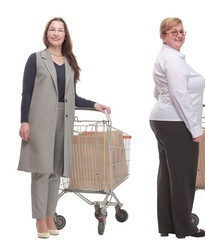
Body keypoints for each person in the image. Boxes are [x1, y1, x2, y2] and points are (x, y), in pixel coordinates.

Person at [18, 17, 111, 239]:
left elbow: (72, 96)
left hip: (64, 119)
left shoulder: (69, 62)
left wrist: (94, 104)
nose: (56, 33)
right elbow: (27, 92)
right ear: (46, 33)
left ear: (65, 35)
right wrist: (24, 120)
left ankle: (50, 215)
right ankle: (40, 219)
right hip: (40, 119)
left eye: (60, 30)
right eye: (52, 29)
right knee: (41, 171)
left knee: (55, 172)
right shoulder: (36, 59)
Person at [149, 17, 205, 239]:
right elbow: (178, 94)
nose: (179, 35)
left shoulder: (167, 57)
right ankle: (185, 228)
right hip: (175, 123)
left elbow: (160, 91)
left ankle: (169, 225)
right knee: (183, 177)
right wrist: (195, 128)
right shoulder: (172, 60)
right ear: (163, 36)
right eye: (173, 32)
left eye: (182, 31)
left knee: (168, 177)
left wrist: (165, 100)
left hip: (162, 120)